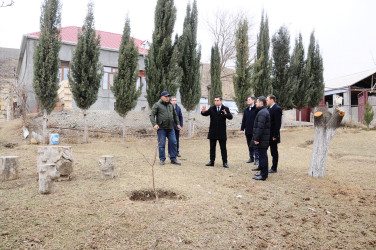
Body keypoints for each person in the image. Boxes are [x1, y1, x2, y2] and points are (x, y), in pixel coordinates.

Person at [149, 91, 182, 166]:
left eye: (168, 96)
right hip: (161, 128)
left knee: (173, 142)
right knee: (162, 144)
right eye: (166, 97)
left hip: (171, 128)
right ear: (161, 97)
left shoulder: (170, 105)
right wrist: (154, 124)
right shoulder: (157, 105)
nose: (167, 98)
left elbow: (175, 115)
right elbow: (151, 115)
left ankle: (173, 159)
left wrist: (178, 124)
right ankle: (162, 159)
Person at [201, 96, 233, 168]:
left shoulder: (225, 108)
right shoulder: (212, 108)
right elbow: (205, 114)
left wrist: (225, 114)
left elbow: (230, 117)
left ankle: (225, 162)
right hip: (213, 132)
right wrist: (203, 111)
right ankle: (211, 161)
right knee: (212, 147)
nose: (216, 101)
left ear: (221, 101)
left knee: (223, 148)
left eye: (217, 100)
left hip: (221, 132)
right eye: (215, 100)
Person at [251, 96, 271, 181]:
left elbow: (260, 127)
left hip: (262, 139)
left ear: (261, 103)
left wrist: (256, 139)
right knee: (263, 156)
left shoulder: (263, 113)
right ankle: (263, 172)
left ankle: (263, 175)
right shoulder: (262, 111)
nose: (256, 103)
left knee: (263, 157)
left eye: (257, 102)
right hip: (263, 139)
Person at [240, 96, 259, 165]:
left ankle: (257, 159)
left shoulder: (256, 109)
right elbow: (244, 120)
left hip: (255, 130)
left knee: (255, 145)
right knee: (249, 145)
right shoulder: (246, 110)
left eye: (249, 99)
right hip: (248, 130)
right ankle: (251, 157)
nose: (248, 101)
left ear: (253, 100)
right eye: (247, 100)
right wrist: (242, 128)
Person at [266, 94, 282, 173]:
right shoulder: (268, 108)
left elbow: (277, 124)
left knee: (273, 151)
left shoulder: (277, 109)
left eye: (267, 100)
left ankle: (274, 167)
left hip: (273, 135)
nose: (266, 101)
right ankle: (262, 166)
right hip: (267, 134)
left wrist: (275, 135)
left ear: (272, 100)